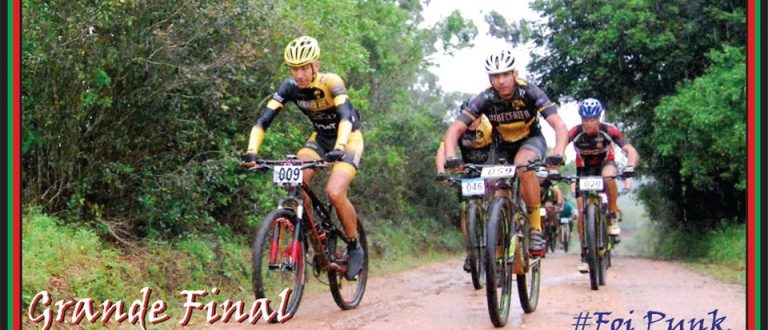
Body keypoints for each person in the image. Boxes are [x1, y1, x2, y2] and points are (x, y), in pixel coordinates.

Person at [241, 36, 365, 280]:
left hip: (348, 138)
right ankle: (314, 232)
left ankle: (353, 245)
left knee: (335, 192)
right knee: (296, 181)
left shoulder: (331, 82)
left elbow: (345, 117)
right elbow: (263, 121)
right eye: (293, 68)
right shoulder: (289, 87)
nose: (298, 74)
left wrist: (339, 147)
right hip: (319, 139)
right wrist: (251, 151)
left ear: (315, 66)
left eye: (303, 68)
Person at [443, 49, 569, 257]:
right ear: (490, 78)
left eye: (505, 74)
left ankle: (535, 228)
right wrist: (450, 156)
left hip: (530, 140)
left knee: (523, 166)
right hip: (501, 146)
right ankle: (499, 248)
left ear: (514, 74)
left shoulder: (529, 92)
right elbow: (454, 129)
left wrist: (558, 152)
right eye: (495, 76)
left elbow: (559, 125)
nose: (500, 81)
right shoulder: (486, 98)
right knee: (498, 194)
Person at [569, 98, 639, 273]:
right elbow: (559, 147)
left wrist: (630, 167)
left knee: (609, 177)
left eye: (593, 119)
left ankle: (613, 213)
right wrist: (553, 164)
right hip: (584, 169)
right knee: (581, 211)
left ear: (599, 118)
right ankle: (585, 254)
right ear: (581, 119)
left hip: (605, 164)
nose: (589, 123)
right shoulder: (575, 132)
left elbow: (630, 150)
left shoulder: (609, 130)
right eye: (585, 119)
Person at [435, 110, 493, 272]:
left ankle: (497, 246)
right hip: (468, 173)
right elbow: (443, 150)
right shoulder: (458, 129)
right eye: (468, 118)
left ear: (481, 117)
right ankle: (471, 252)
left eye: (475, 118)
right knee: (465, 211)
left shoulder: (489, 127)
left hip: (490, 170)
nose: (471, 121)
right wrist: (441, 171)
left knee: (494, 205)